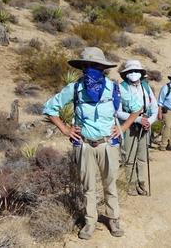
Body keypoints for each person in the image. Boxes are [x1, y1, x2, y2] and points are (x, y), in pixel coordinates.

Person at [43, 47, 142, 240]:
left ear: (102, 67)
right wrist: (65, 130)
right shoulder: (75, 88)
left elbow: (137, 108)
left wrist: (122, 128)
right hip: (85, 145)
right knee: (88, 186)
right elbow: (49, 108)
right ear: (82, 67)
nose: (91, 69)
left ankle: (113, 219)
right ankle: (90, 222)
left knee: (110, 183)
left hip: (108, 144)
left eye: (94, 65)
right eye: (87, 65)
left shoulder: (114, 87)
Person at [117, 59, 158, 196]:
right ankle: (131, 183)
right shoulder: (121, 88)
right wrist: (138, 119)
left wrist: (149, 121)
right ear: (126, 73)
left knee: (142, 156)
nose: (134, 74)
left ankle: (141, 182)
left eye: (136, 71)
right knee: (129, 156)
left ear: (141, 73)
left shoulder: (146, 87)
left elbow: (154, 107)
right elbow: (118, 112)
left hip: (145, 126)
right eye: (130, 71)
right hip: (130, 126)